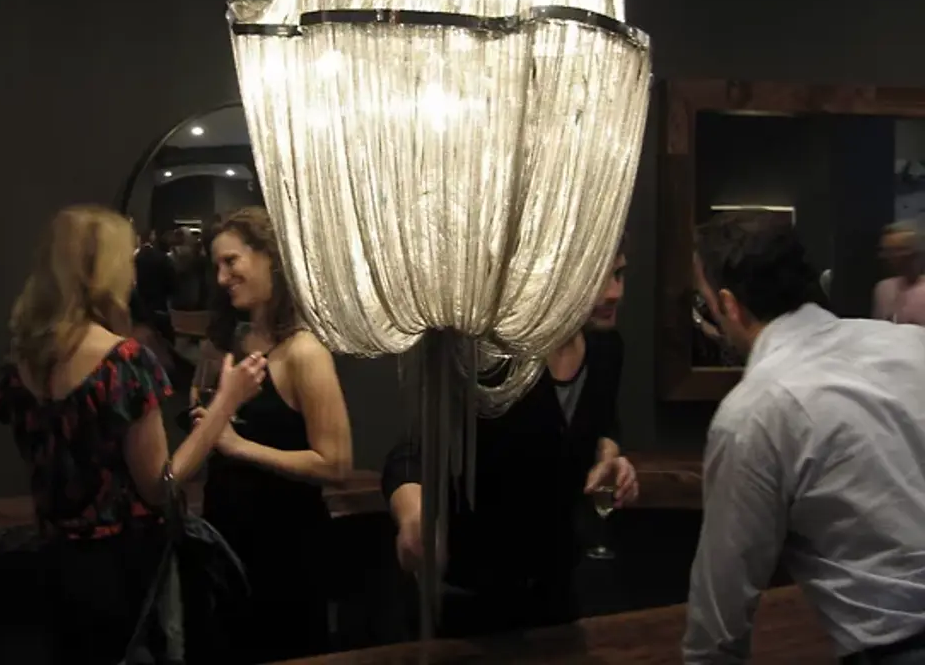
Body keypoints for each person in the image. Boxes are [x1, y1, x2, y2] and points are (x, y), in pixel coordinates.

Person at [0, 205, 267, 665]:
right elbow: (160, 486)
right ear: (103, 272)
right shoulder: (123, 361)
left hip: (56, 563)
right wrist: (226, 404)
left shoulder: (21, 361)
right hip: (124, 570)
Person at [684, 212, 925, 665]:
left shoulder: (755, 411)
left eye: (706, 302)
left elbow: (725, 594)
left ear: (729, 305)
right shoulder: (913, 344)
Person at [382, 240, 639, 638]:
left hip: (555, 593)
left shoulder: (606, 349)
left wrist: (610, 456)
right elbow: (411, 452)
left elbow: (601, 423)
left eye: (619, 274)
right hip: (469, 601)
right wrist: (414, 515)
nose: (614, 292)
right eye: (597, 277)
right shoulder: (492, 360)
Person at [192, 206, 353, 663]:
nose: (222, 278)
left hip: (285, 549)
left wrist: (238, 446)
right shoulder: (230, 345)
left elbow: (336, 463)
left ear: (270, 258)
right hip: (227, 539)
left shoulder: (304, 352)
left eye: (231, 261)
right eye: (216, 266)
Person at [873, 222, 925, 325]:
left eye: (898, 250)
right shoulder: (884, 288)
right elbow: (877, 329)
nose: (891, 257)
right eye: (887, 251)